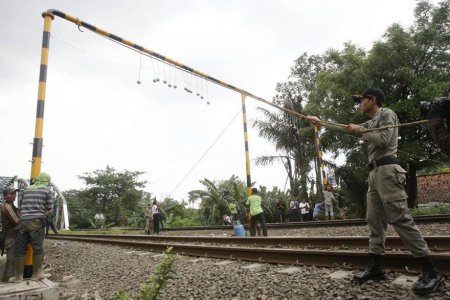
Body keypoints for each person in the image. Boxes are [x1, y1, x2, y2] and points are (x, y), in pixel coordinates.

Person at [306, 87, 443, 295]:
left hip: (388, 171)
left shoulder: (387, 114)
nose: (359, 104)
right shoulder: (371, 122)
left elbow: (385, 140)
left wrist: (360, 131)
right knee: (374, 221)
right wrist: (320, 122)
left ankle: (431, 271)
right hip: (374, 174)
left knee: (400, 219)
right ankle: (376, 267)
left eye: (362, 100)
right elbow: (345, 127)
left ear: (373, 99)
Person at [11, 172, 53, 283]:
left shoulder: (26, 190)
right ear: (46, 181)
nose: (49, 183)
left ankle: (18, 277)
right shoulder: (47, 191)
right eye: (48, 181)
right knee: (37, 248)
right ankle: (36, 274)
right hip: (36, 222)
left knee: (19, 249)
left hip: (22, 221)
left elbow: (21, 205)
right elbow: (49, 208)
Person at [1, 187, 20, 282]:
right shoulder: (8, 207)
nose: (14, 195)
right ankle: (8, 280)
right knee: (11, 260)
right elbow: (17, 221)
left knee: (12, 260)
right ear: (5, 196)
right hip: (11, 237)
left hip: (11, 236)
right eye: (11, 194)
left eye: (14, 194)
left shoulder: (12, 206)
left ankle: (7, 279)